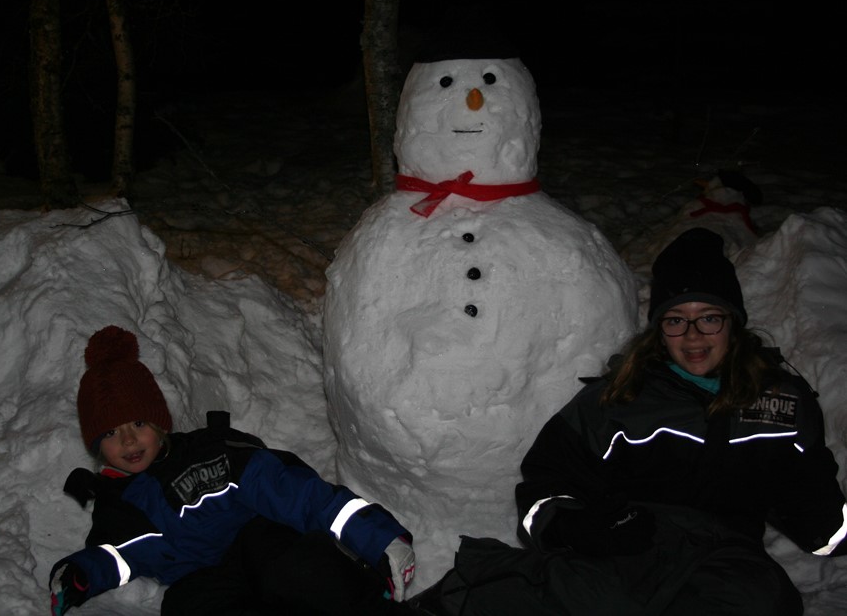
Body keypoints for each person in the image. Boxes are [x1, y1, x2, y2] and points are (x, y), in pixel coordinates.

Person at [412, 228, 847, 616]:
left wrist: (833, 527)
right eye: (676, 320)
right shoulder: (617, 398)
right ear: (658, 329)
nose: (693, 336)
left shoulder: (780, 404)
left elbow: (819, 517)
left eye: (709, 318)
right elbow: (544, 485)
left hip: (726, 563)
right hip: (629, 550)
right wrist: (573, 526)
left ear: (733, 323)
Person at [49, 325, 421, 615]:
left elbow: (297, 494)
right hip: (205, 578)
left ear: (160, 424)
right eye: (112, 432)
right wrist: (81, 574)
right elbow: (119, 556)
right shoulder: (116, 506)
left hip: (258, 543)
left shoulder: (211, 456)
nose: (129, 441)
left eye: (138, 424)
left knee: (297, 567)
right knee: (183, 606)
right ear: (97, 445)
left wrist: (375, 537)